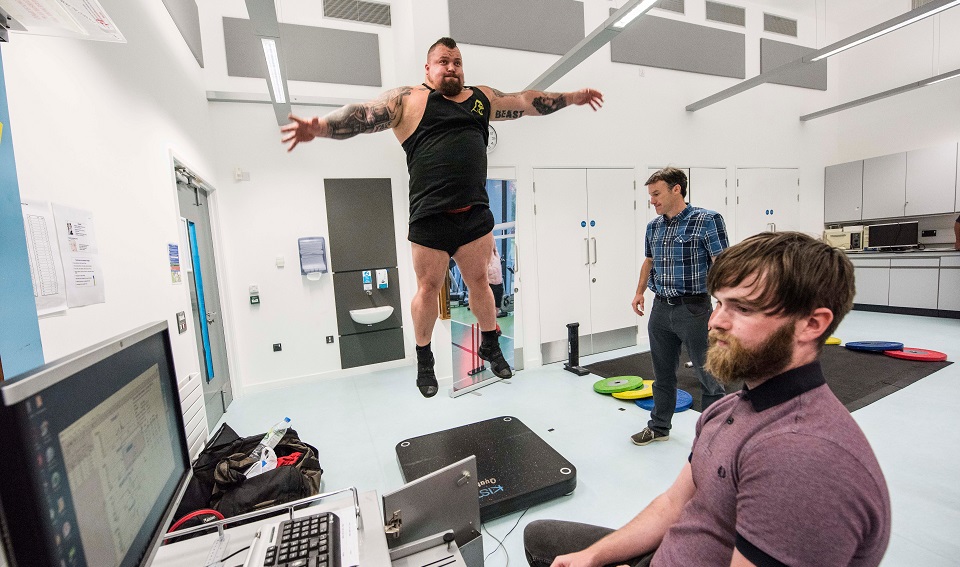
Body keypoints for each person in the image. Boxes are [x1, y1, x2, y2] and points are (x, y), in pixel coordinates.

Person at [524, 231, 891, 567]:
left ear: (812, 324)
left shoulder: (803, 459)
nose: (715, 322)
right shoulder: (728, 410)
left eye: (743, 309)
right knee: (541, 537)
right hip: (667, 551)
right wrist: (595, 557)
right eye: (719, 303)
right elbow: (673, 505)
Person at [281, 37, 603, 398]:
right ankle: (424, 359)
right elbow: (363, 115)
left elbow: (526, 101)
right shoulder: (408, 101)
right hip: (430, 217)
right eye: (443, 61)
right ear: (428, 68)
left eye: (457, 62)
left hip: (473, 213)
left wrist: (572, 98)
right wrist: (320, 127)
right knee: (429, 288)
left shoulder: (480, 99)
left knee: (480, 282)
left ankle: (491, 344)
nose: (451, 67)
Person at [629, 167, 728, 446]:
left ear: (676, 189)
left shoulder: (707, 220)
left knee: (709, 374)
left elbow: (722, 262)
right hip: (661, 309)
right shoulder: (654, 226)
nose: (653, 201)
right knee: (662, 375)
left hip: (694, 309)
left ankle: (715, 436)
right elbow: (649, 262)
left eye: (656, 194)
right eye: (650, 195)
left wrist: (725, 303)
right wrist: (639, 293)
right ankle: (659, 427)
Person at [488, 245, 507, 318]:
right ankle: (491, 325)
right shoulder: (485, 259)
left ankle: (495, 324)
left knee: (496, 308)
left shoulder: (496, 256)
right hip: (490, 286)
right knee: (490, 309)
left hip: (499, 285)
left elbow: (494, 246)